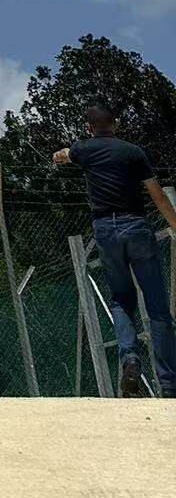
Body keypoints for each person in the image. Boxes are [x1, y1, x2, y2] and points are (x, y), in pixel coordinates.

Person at [54, 101, 176, 396]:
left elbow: (64, 155)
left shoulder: (84, 149)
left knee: (121, 299)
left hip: (105, 231)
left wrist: (60, 156)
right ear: (116, 125)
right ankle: (170, 384)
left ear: (88, 127)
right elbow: (157, 195)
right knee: (157, 305)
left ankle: (130, 359)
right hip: (136, 225)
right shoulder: (133, 152)